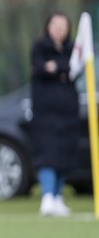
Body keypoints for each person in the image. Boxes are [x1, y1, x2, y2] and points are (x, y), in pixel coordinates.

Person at [29, 12, 80, 217]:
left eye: (63, 25)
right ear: (48, 26)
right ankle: (47, 196)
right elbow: (41, 68)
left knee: (64, 155)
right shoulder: (40, 47)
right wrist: (59, 69)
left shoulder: (72, 49)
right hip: (45, 114)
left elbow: (73, 68)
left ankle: (58, 196)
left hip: (68, 113)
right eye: (55, 24)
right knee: (48, 154)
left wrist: (57, 67)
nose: (59, 29)